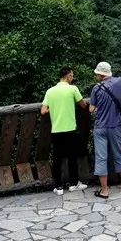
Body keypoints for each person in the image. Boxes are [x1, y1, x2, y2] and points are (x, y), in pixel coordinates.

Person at [88, 61, 121, 199]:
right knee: (119, 153)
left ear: (101, 75)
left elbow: (91, 109)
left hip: (100, 127)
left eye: (97, 74)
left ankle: (104, 190)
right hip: (115, 126)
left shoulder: (96, 89)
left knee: (101, 157)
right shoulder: (119, 82)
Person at [40, 67, 88, 195]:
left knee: (57, 158)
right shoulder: (73, 89)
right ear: (67, 76)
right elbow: (83, 105)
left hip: (56, 130)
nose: (73, 78)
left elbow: (43, 111)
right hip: (70, 129)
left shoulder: (50, 91)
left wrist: (54, 108)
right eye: (72, 75)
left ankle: (58, 187)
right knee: (72, 156)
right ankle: (73, 184)